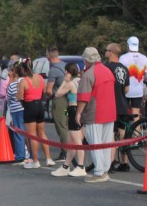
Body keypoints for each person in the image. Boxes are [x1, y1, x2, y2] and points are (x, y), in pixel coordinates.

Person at [75, 47, 116, 183]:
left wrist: (78, 113)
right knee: (106, 143)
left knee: (95, 143)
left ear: (86, 60)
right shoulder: (107, 71)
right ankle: (105, 169)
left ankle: (99, 171)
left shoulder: (88, 74)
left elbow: (83, 97)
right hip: (110, 111)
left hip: (94, 113)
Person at [51, 63, 86, 177]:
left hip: (73, 109)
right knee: (71, 142)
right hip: (80, 109)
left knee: (77, 141)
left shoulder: (71, 83)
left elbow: (57, 94)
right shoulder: (80, 80)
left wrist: (64, 81)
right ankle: (66, 166)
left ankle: (81, 166)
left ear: (67, 72)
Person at [16, 58, 51, 168]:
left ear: (23, 69)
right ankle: (48, 158)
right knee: (42, 133)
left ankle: (35, 161)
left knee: (32, 135)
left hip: (29, 106)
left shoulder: (24, 81)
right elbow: (44, 91)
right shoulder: (40, 77)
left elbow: (19, 97)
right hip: (39, 105)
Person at [103, 43, 131, 173]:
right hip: (123, 104)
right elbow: (127, 89)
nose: (105, 52)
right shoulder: (124, 68)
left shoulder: (107, 68)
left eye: (106, 50)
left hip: (111, 105)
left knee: (111, 134)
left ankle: (111, 162)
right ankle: (125, 162)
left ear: (112, 52)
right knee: (123, 133)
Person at [44, 47, 68, 159]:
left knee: (61, 125)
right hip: (69, 100)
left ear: (49, 56)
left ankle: (65, 152)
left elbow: (49, 90)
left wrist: (47, 96)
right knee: (67, 124)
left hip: (59, 101)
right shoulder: (65, 65)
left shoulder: (53, 70)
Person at [4, 62, 27, 164]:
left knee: (18, 132)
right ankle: (31, 154)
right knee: (29, 132)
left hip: (16, 110)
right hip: (27, 108)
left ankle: (20, 156)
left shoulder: (13, 84)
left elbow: (8, 98)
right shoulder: (27, 82)